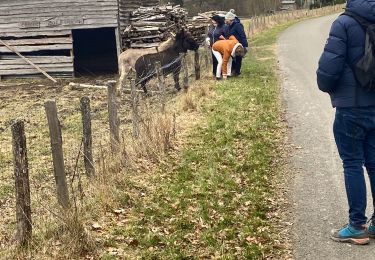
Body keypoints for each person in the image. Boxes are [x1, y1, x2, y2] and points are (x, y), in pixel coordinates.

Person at [316, 0, 375, 245]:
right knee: (373, 163)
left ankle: (357, 225)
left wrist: (326, 86)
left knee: (352, 163)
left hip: (351, 106)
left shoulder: (344, 23)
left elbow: (329, 69)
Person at [224, 11, 248, 76]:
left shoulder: (238, 25)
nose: (225, 21)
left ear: (230, 19)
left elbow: (242, 35)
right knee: (232, 58)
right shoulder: (229, 26)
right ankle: (233, 70)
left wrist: (245, 46)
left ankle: (237, 72)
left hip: (238, 45)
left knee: (238, 58)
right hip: (232, 45)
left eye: (226, 19)